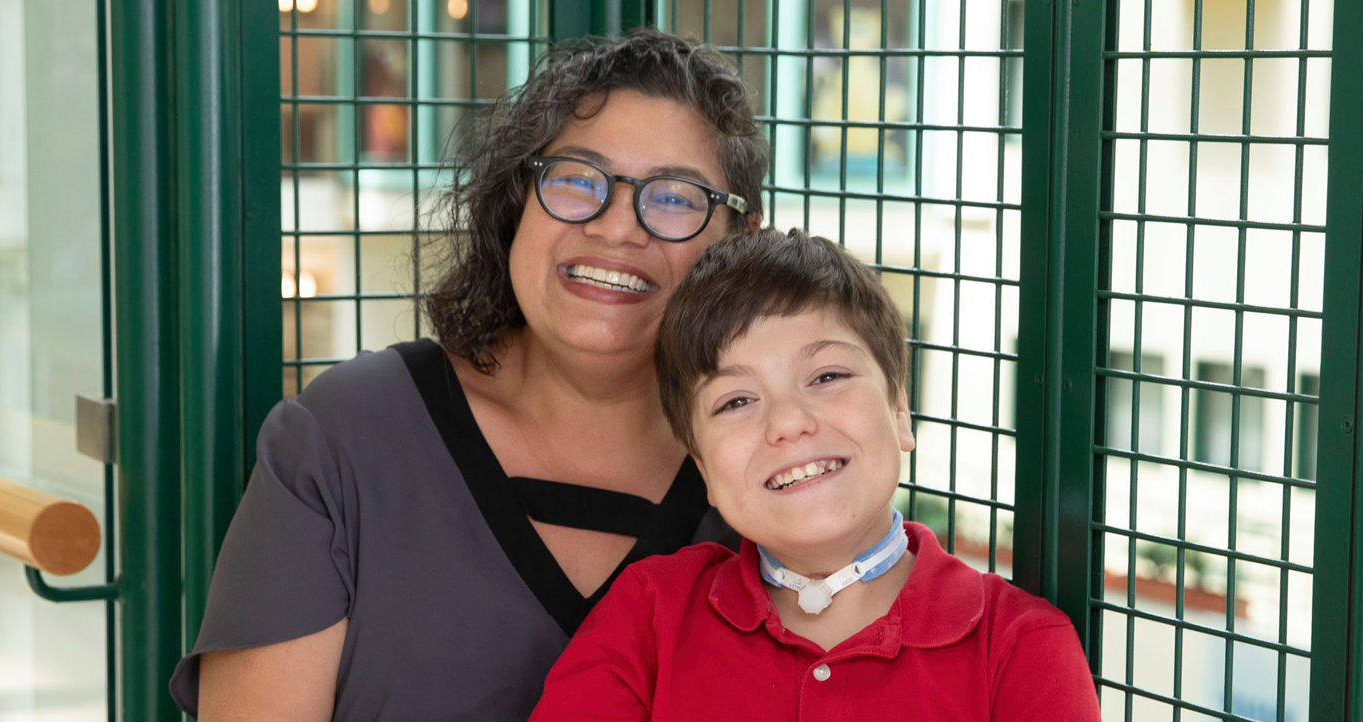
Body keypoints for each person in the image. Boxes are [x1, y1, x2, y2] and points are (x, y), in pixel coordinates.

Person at [170, 29, 766, 720]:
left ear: (740, 240)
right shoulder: (345, 440)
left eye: (673, 197)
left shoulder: (775, 475)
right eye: (576, 179)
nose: (614, 228)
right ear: (518, 202)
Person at [529, 229, 1101, 721]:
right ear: (703, 467)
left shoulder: (1019, 647)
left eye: (826, 376)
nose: (789, 423)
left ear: (899, 412)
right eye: (735, 402)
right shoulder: (650, 615)